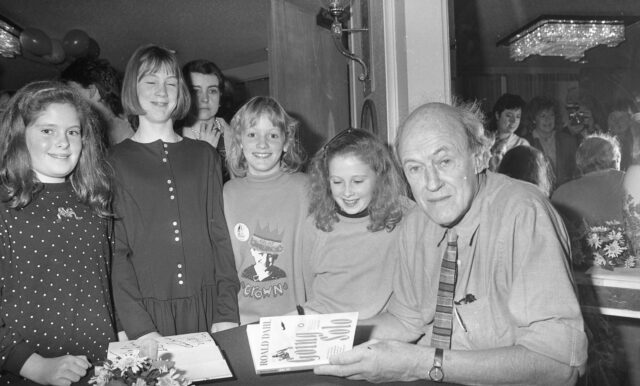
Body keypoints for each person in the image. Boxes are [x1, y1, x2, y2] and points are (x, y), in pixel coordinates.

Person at [315, 101, 587, 384]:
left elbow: (558, 365)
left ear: (479, 157)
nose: (431, 184)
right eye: (415, 168)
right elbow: (404, 321)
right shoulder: (416, 225)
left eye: (444, 161)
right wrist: (321, 337)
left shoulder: (524, 214)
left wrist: (420, 364)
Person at [109, 44, 239, 341]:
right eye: (150, 82)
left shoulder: (206, 155)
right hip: (146, 318)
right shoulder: (112, 162)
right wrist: (136, 325)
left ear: (181, 92)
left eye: (171, 83)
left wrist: (226, 311)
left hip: (207, 311)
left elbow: (219, 237)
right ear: (133, 88)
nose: (162, 92)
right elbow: (116, 252)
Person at [0, 81, 117, 385]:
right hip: (27, 374)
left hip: (99, 370)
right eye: (47, 131)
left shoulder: (95, 201)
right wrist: (35, 366)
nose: (63, 142)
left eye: (73, 132)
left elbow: (105, 288)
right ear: (19, 136)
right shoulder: (5, 205)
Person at [300, 128, 412, 319]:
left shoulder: (405, 216)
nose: (347, 192)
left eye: (358, 181)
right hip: (324, 328)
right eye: (337, 182)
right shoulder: (315, 224)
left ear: (379, 177)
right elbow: (309, 285)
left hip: (379, 331)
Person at [223, 96, 308, 325]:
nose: (262, 144)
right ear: (239, 140)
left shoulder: (306, 188)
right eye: (252, 134)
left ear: (286, 142)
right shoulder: (226, 194)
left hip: (296, 321)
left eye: (272, 135)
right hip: (241, 323)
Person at [60, 57, 134, 146]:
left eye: (73, 92)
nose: (69, 100)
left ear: (92, 90)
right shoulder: (92, 139)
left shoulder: (137, 121)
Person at [524, 96, 578, 186]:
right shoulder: (525, 143)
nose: (548, 119)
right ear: (534, 119)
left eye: (551, 115)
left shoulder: (568, 141)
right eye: (543, 116)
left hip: (564, 195)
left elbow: (576, 172)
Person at [487, 93, 529, 171]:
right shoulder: (484, 139)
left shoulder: (522, 144)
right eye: (509, 115)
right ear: (497, 115)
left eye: (518, 116)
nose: (513, 121)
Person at [607, 98, 640, 171]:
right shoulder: (603, 143)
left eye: (622, 117)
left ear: (632, 120)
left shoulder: (636, 145)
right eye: (613, 117)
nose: (616, 121)